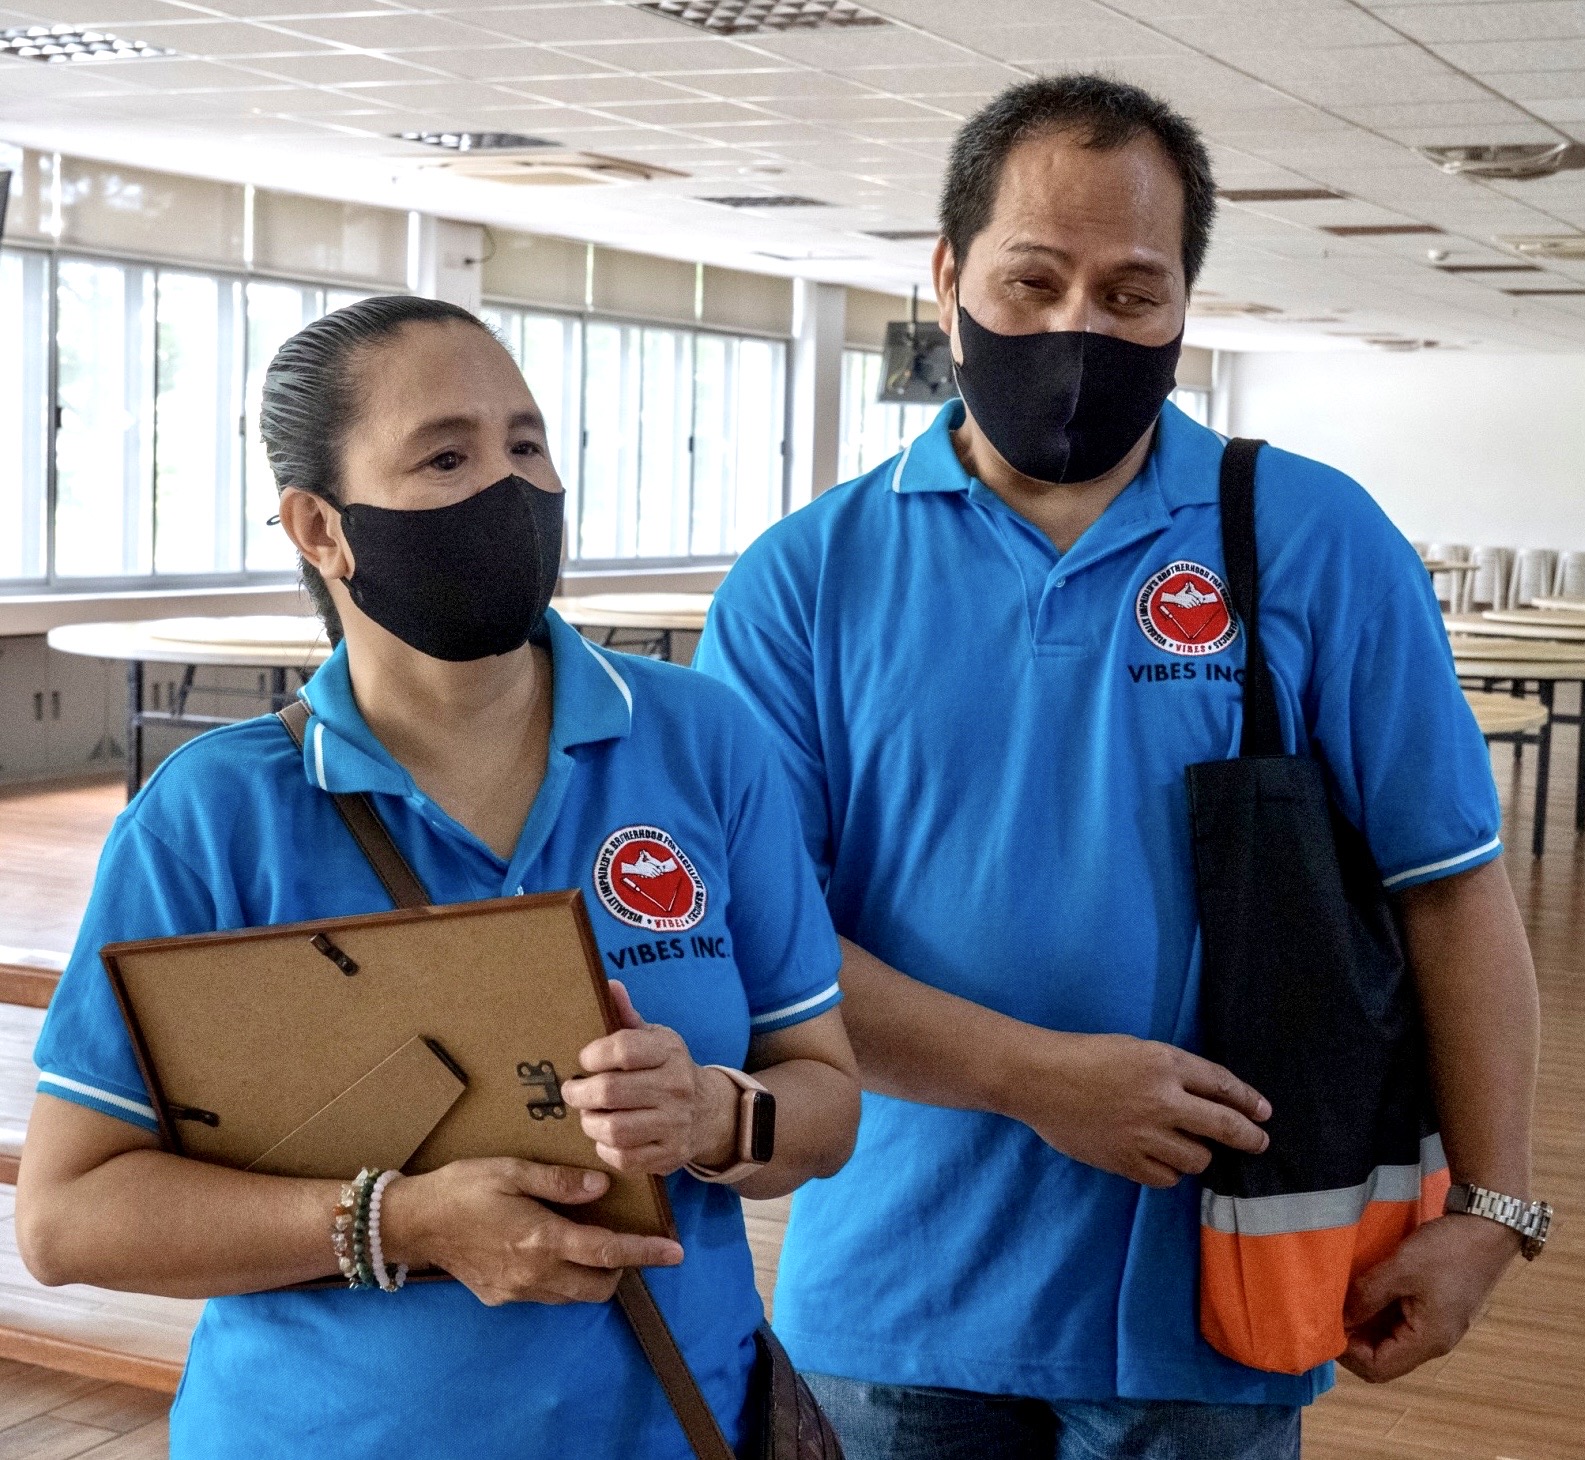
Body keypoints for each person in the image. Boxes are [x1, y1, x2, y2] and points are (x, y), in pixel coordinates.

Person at [694, 74, 1542, 1460]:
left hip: (1218, 1290)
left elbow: (1450, 892)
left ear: (1185, 306)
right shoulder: (810, 577)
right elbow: (761, 938)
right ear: (948, 274)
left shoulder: (1314, 540)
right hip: (896, 1296)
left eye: (1131, 294)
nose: (1077, 328)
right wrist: (1036, 1078)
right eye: (1031, 282)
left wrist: (1492, 1214)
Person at [16, 295, 860, 1458]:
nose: (507, 491)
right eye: (445, 456)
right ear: (321, 526)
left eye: (526, 444)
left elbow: (824, 1100)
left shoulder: (702, 744)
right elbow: (71, 1217)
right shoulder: (213, 817)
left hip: (672, 1423)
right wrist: (398, 1219)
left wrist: (714, 1111)